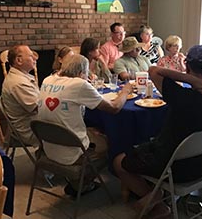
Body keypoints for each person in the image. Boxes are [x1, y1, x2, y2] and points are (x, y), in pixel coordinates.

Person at [113, 45, 202, 218]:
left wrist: (190, 80)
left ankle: (156, 198)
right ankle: (157, 195)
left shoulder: (182, 96)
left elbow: (153, 70)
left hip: (173, 168)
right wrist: (196, 81)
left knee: (119, 161)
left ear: (187, 67)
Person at [39, 54, 132, 194]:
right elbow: (114, 108)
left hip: (49, 148)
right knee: (112, 139)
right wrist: (125, 91)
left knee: (94, 130)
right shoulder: (78, 84)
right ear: (82, 73)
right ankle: (84, 182)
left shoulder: (48, 79)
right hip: (73, 154)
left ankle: (77, 182)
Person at [1, 45, 39, 145]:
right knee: (66, 121)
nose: (35, 58)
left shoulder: (20, 77)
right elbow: (38, 108)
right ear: (19, 60)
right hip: (30, 129)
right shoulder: (19, 83)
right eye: (31, 56)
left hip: (33, 122)